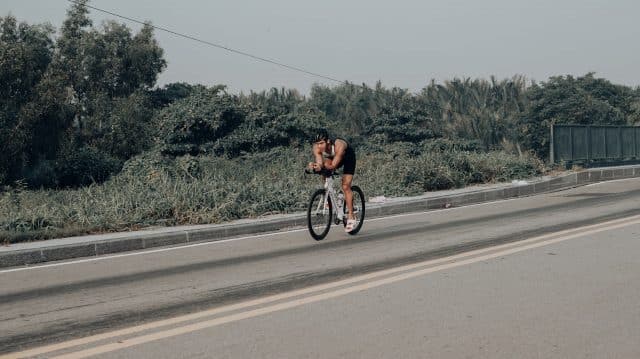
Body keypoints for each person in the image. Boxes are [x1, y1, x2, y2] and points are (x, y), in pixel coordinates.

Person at [307, 129, 357, 232]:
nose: (319, 146)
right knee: (324, 171)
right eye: (317, 144)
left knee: (345, 186)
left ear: (328, 141)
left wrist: (324, 167)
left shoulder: (339, 145)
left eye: (321, 143)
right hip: (332, 157)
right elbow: (321, 163)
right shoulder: (317, 148)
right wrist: (316, 167)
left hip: (347, 157)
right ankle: (331, 196)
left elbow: (333, 165)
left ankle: (351, 216)